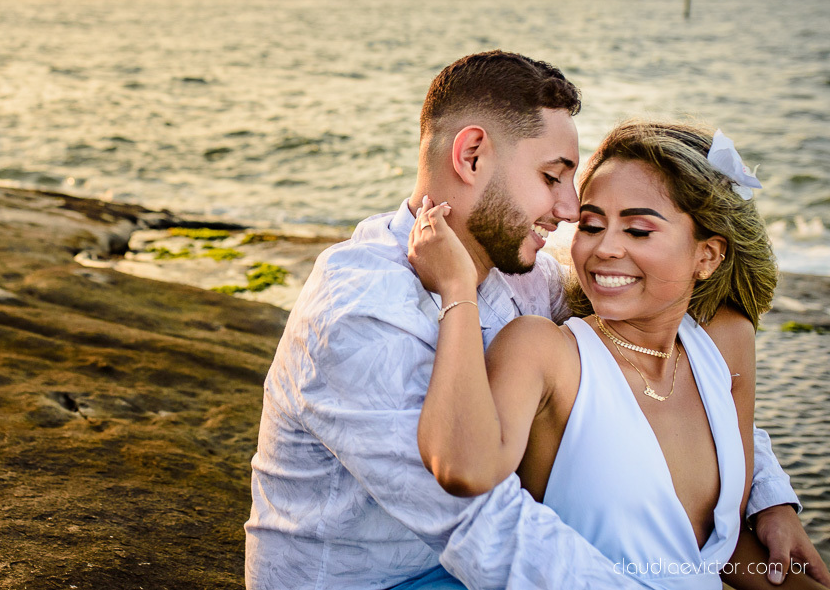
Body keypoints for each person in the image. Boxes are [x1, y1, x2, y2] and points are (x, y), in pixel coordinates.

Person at [244, 51, 827, 590]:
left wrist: (766, 497)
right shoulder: (361, 313)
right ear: (471, 156)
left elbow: (662, 368)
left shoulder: (525, 276)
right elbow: (482, 525)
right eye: (553, 176)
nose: (571, 210)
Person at [410, 120, 827, 589]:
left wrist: (773, 506)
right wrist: (457, 289)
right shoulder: (545, 352)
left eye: (638, 230)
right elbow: (463, 470)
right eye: (591, 225)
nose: (604, 249)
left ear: (707, 256)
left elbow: (708, 545)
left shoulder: (727, 340)